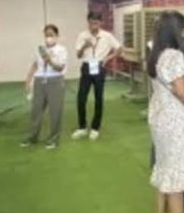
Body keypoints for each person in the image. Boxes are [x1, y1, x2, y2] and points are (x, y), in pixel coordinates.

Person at [147, 11, 184, 213]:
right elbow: (181, 91)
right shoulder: (173, 55)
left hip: (160, 117)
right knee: (176, 182)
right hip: (174, 121)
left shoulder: (156, 54)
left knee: (165, 170)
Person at [72, 12, 122, 141]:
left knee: (98, 97)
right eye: (91, 22)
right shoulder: (82, 35)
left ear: (101, 23)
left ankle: (95, 128)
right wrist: (84, 46)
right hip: (86, 66)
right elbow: (78, 55)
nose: (93, 25)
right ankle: (82, 127)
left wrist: (108, 58)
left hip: (99, 67)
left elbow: (119, 49)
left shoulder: (107, 36)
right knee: (81, 98)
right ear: (88, 22)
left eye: (96, 22)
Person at [22, 24, 68, 149]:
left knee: (55, 111)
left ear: (56, 35)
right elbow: (35, 64)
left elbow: (60, 67)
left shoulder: (62, 50)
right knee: (36, 111)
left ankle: (53, 139)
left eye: (51, 35)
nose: (49, 37)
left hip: (55, 80)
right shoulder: (39, 48)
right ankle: (32, 137)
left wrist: (50, 61)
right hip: (39, 80)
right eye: (46, 35)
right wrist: (28, 79)